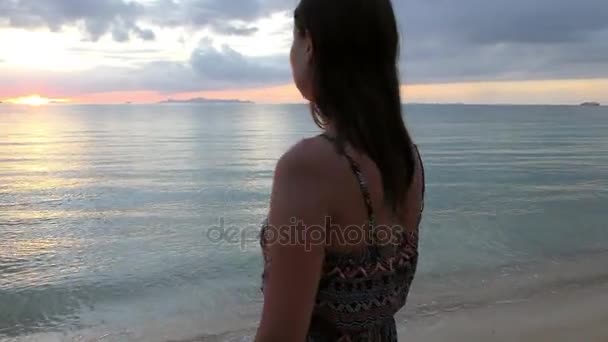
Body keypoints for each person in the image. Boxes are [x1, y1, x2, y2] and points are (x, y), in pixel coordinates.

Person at [256, 0, 425, 340]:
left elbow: (282, 335)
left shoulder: (307, 167)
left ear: (310, 46)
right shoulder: (407, 159)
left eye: (294, 39)